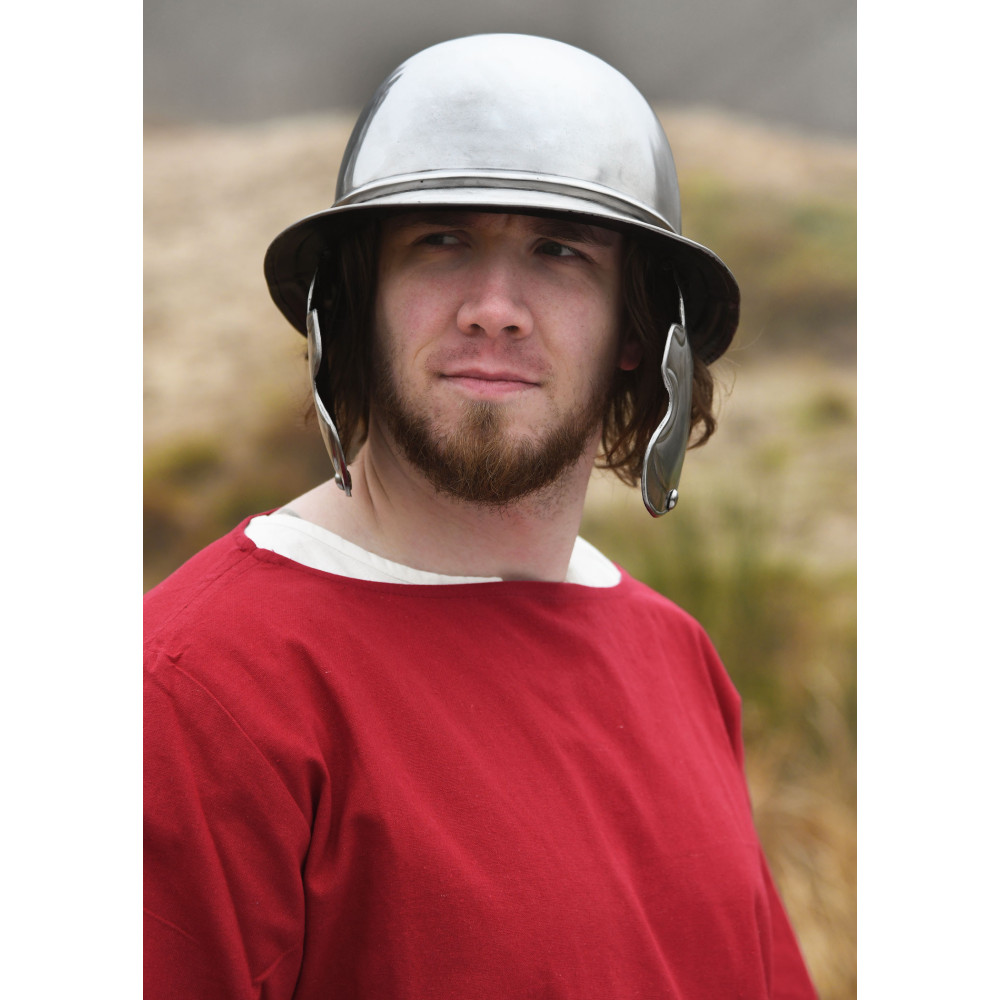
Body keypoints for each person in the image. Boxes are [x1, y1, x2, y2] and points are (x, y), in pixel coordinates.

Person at [144, 33, 818, 999]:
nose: (495, 308)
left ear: (636, 332)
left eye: (560, 251)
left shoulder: (678, 657)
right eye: (441, 241)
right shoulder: (194, 690)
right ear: (358, 304)